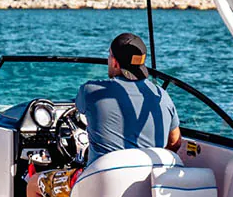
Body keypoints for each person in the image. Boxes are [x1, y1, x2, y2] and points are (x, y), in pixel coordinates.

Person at [73, 32, 181, 161]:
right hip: (151, 172)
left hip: (104, 173)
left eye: (109, 54)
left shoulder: (90, 91)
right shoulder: (162, 96)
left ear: (115, 62)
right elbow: (175, 142)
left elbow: (79, 109)